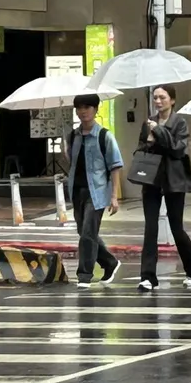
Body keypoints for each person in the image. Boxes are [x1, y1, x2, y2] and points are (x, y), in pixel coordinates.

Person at [135, 85, 191, 292]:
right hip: (152, 180)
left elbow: (177, 149)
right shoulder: (148, 122)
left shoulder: (180, 122)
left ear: (172, 100)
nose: (158, 101)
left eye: (162, 97)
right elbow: (140, 149)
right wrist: (149, 140)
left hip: (175, 181)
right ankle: (148, 277)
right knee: (150, 228)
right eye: (155, 97)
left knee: (176, 227)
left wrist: (158, 131)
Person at [67, 95, 123, 289]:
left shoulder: (104, 136)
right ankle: (110, 262)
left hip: (97, 192)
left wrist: (114, 196)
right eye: (79, 108)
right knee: (83, 231)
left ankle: (84, 275)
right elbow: (71, 161)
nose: (83, 111)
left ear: (96, 109)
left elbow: (115, 166)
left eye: (87, 107)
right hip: (76, 190)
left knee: (88, 233)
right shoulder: (73, 136)